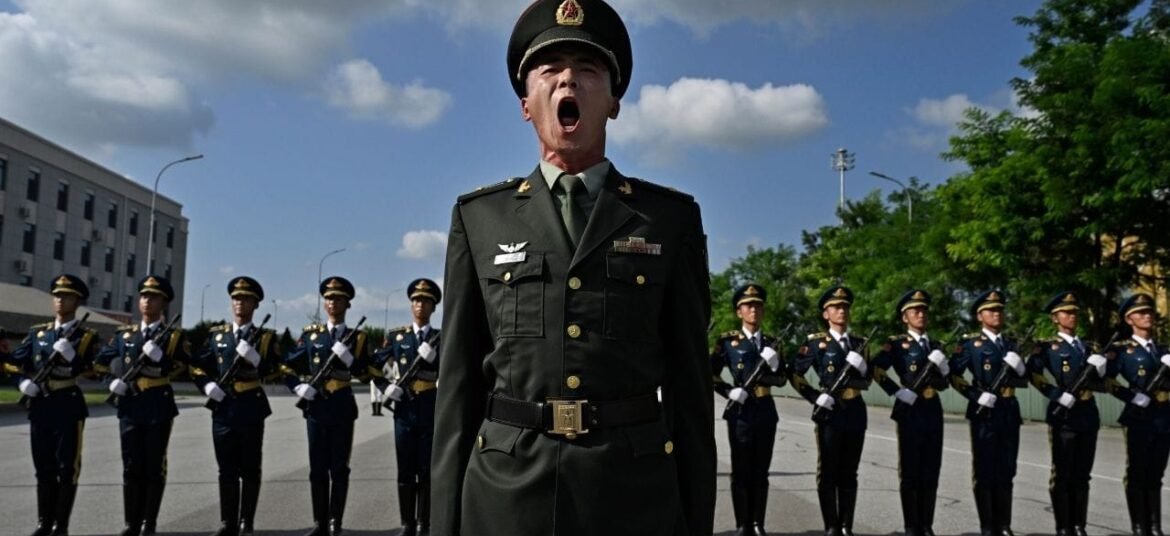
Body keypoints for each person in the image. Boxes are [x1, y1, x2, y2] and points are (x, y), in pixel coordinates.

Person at [430, 0, 715, 533]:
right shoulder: (479, 218)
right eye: (550, 69)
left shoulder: (667, 219)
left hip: (632, 496)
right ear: (526, 103)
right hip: (506, 495)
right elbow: (457, 388)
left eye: (587, 70)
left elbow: (691, 392)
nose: (568, 81)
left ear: (614, 101)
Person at [95, 275, 190, 536]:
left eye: (154, 297)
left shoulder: (173, 337)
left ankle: (149, 523)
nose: (147, 301)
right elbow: (100, 363)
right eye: (144, 296)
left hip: (158, 406)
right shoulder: (124, 335)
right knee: (131, 466)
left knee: (153, 466)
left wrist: (161, 360)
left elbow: (186, 367)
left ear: (164, 303)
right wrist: (111, 382)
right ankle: (131, 523)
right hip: (130, 406)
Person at [282, 276, 374, 536]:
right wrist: (298, 387)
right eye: (329, 298)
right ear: (324, 304)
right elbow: (286, 364)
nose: (333, 303)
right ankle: (319, 522)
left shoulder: (358, 338)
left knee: (339, 469)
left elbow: (368, 374)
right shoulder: (311, 335)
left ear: (347, 304)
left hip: (342, 405)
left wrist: (351, 360)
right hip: (317, 407)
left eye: (338, 299)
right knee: (317, 468)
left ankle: (336, 522)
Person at [189, 277, 280, 536]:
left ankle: (246, 522)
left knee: (250, 469)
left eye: (246, 299)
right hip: (223, 407)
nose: (240, 303)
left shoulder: (265, 338)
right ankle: (227, 522)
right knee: (226, 470)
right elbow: (196, 365)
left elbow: (275, 371)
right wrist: (207, 385)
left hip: (251, 407)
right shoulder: (217, 335)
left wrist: (256, 359)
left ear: (255, 304)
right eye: (236, 298)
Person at [10, 275, 100, 536]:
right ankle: (44, 523)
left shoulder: (86, 337)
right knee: (43, 468)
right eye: (57, 295)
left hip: (68, 405)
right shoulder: (38, 333)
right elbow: (13, 363)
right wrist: (21, 383)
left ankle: (61, 526)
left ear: (78, 301)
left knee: (67, 468)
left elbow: (96, 371)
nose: (60, 300)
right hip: (40, 406)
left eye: (67, 296)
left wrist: (73, 357)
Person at [1025, 292, 1108, 536]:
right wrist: (1055, 394)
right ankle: (1063, 527)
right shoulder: (1046, 347)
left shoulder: (1090, 347)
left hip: (1087, 414)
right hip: (1063, 416)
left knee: (1083, 474)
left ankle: (1079, 526)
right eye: (1066, 312)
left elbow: (1104, 383)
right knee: (1062, 473)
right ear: (1055, 318)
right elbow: (1033, 375)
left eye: (1074, 312)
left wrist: (1103, 370)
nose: (1071, 316)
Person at [790, 286, 871, 536]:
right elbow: (794, 373)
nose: (841, 311)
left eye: (845, 307)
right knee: (828, 470)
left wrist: (863, 368)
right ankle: (831, 526)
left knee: (850, 471)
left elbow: (868, 380)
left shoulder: (860, 343)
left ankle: (846, 526)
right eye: (836, 307)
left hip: (855, 409)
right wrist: (815, 396)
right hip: (830, 410)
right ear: (826, 314)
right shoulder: (816, 343)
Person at [948, 290, 1028, 536]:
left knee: (1007, 469)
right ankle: (987, 526)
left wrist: (1020, 368)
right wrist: (974, 395)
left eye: (1000, 310)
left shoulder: (1012, 343)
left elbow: (1025, 378)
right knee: (984, 470)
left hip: (1009, 410)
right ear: (980, 316)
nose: (997, 314)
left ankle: (1004, 525)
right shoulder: (970, 344)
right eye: (991, 310)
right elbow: (954, 374)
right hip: (984, 411)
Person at [871, 290, 949, 536]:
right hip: (910, 408)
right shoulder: (896, 344)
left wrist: (944, 368)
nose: (920, 314)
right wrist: (897, 391)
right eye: (915, 311)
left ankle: (927, 525)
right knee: (910, 469)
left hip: (932, 408)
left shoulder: (936, 345)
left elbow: (945, 383)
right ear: (905, 317)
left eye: (923, 310)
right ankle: (911, 526)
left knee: (931, 469)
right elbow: (876, 369)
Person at [711, 283, 785, 536]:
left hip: (765, 409)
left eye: (758, 306)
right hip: (740, 412)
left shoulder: (773, 343)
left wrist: (773, 366)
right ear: (739, 311)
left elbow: (782, 379)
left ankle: (757, 523)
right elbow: (710, 373)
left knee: (761, 470)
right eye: (748, 306)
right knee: (741, 470)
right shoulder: (727, 341)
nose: (753, 309)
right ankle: (742, 524)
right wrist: (728, 391)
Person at [374, 279, 442, 536]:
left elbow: (454, 369)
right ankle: (407, 523)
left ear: (433, 307)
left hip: (430, 407)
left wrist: (438, 359)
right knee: (405, 470)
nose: (419, 305)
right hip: (404, 410)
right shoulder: (397, 337)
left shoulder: (440, 338)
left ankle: (424, 523)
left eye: (425, 301)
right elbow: (372, 365)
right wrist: (386, 387)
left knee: (426, 470)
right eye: (415, 300)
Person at [1108, 293, 1170, 536]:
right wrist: (1130, 396)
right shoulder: (1122, 350)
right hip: (1139, 416)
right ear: (1129, 319)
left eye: (1149, 312)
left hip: (1164, 416)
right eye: (1141, 313)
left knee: (1156, 472)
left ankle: (1155, 527)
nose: (1147, 316)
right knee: (1137, 471)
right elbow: (1107, 380)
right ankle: (1139, 527)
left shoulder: (1163, 349)